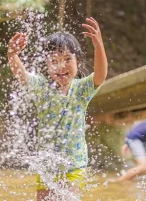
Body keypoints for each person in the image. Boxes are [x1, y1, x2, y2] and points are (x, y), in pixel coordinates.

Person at [7, 17, 108, 200]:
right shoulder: (41, 88)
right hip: (47, 166)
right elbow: (21, 75)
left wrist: (98, 46)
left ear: (78, 60)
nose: (61, 66)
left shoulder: (81, 89)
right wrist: (12, 56)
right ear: (46, 64)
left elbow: (100, 75)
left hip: (74, 165)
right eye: (54, 60)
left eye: (67, 59)